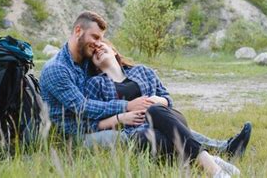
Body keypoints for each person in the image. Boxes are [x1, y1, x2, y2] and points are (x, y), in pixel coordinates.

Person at [40, 11, 251, 156]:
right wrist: (126, 109)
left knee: (157, 122)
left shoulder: (85, 62)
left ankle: (220, 149)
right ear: (78, 31)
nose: (98, 44)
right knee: (142, 137)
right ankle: (214, 155)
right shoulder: (57, 69)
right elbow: (82, 107)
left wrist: (151, 103)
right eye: (95, 37)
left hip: (106, 123)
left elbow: (163, 96)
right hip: (78, 135)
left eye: (101, 39)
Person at [85, 41, 242, 177]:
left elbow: (168, 100)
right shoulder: (95, 84)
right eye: (93, 53)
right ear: (95, 66)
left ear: (114, 51)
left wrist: (158, 100)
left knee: (155, 110)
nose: (98, 50)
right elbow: (91, 123)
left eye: (101, 46)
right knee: (147, 139)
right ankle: (210, 159)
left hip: (164, 117)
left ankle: (215, 172)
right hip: (138, 132)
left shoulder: (143, 71)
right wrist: (121, 118)